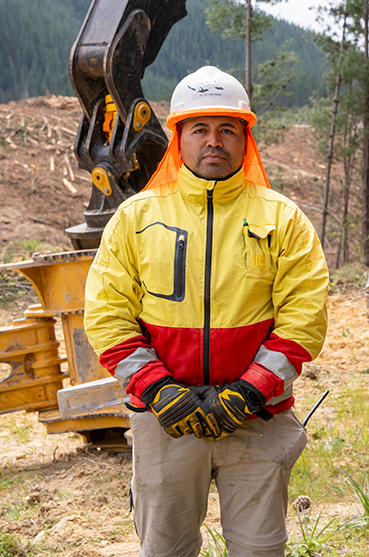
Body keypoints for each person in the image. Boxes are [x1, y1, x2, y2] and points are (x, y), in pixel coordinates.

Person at [84, 66, 329, 557]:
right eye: (200, 129)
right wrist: (157, 390)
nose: (213, 141)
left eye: (227, 129)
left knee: (260, 550)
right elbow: (108, 315)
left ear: (245, 138)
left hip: (256, 421)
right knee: (166, 549)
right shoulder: (135, 219)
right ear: (178, 137)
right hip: (165, 423)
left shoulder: (281, 219)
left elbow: (304, 316)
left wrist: (251, 390)